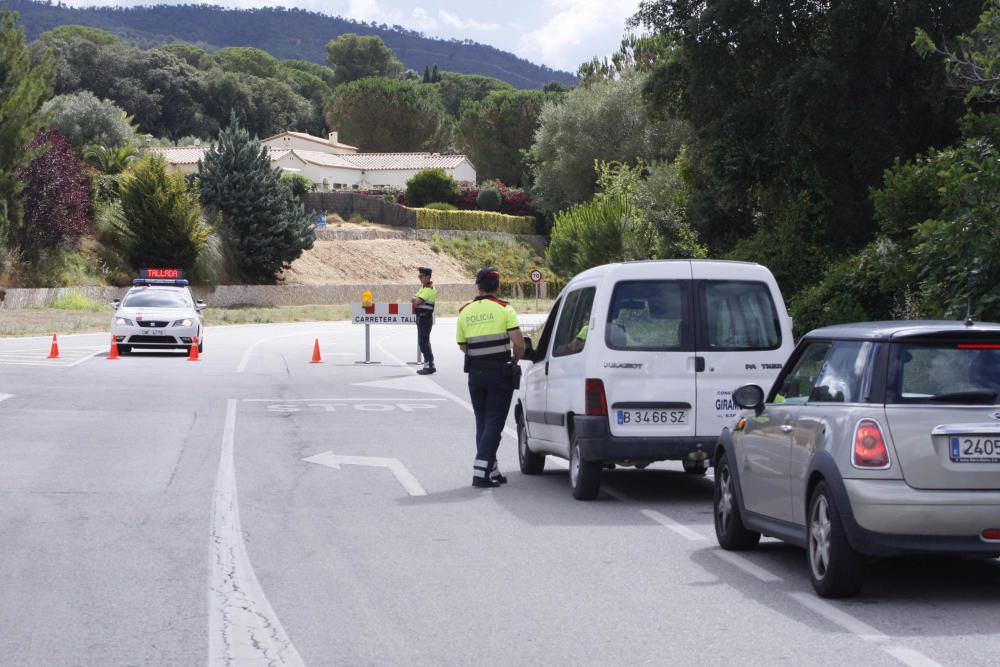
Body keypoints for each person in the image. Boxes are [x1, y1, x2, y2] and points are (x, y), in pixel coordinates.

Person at [457, 267, 525, 488]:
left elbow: (462, 345)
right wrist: (514, 360)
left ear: (478, 285)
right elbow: (519, 343)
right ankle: (480, 472)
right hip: (499, 373)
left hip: (475, 374)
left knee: (482, 422)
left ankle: (492, 469)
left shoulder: (465, 311)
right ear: (497, 286)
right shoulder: (505, 309)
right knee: (494, 423)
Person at [412, 266, 437, 374]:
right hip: (421, 319)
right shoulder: (423, 287)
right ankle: (428, 364)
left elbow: (416, 301)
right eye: (419, 276)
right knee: (422, 342)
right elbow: (414, 298)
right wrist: (415, 299)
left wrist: (415, 299)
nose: (420, 278)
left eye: (421, 276)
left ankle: (430, 365)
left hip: (426, 318)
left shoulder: (429, 288)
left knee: (424, 342)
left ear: (428, 276)